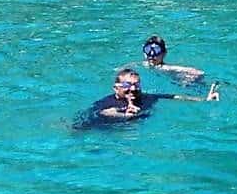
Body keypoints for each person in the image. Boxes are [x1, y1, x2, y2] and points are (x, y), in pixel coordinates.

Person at [76, 67, 218, 128]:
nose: (132, 88)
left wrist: (205, 100)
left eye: (136, 85)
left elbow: (172, 97)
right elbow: (103, 112)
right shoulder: (106, 102)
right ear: (116, 88)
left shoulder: (146, 98)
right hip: (105, 132)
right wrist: (122, 114)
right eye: (126, 85)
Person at [141, 35, 206, 83]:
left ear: (164, 53)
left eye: (156, 50)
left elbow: (199, 73)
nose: (152, 55)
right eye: (148, 50)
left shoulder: (166, 68)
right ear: (144, 53)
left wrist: (189, 80)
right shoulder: (143, 64)